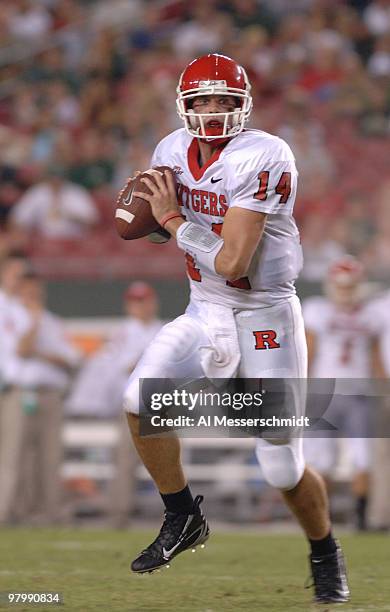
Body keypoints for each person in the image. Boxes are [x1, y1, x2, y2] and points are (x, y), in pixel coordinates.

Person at [121, 54, 349, 604]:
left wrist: (173, 220)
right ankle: (183, 516)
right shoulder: (170, 149)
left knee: (279, 462)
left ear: (243, 106)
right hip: (205, 310)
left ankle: (324, 549)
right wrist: (150, 223)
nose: (213, 110)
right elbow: (168, 234)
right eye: (203, 100)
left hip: (266, 315)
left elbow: (234, 263)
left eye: (225, 100)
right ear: (186, 106)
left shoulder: (266, 154)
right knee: (138, 398)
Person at [66, 282, 163, 526]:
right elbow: (123, 366)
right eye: (135, 301)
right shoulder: (124, 332)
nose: (140, 306)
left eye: (144, 300)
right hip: (134, 403)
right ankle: (119, 511)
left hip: (161, 401)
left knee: (166, 461)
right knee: (126, 459)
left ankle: (175, 513)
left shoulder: (163, 329)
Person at [303, 256, 381, 531]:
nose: (345, 291)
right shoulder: (317, 310)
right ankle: (321, 519)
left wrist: (384, 390)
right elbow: (308, 352)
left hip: (359, 392)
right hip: (324, 392)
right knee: (321, 460)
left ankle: (360, 518)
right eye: (341, 286)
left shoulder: (373, 314)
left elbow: (375, 358)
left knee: (363, 457)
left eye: (350, 286)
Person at [4, 272, 81, 524]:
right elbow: (23, 349)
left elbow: (71, 359)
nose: (33, 295)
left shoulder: (53, 321)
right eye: (28, 290)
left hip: (50, 393)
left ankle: (49, 513)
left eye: (36, 290)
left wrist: (41, 353)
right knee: (14, 456)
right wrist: (34, 323)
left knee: (50, 456)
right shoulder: (11, 316)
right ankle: (7, 511)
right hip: (21, 392)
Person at [0, 253, 30, 524]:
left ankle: (4, 512)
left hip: (10, 388)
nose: (19, 280)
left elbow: (23, 349)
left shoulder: (21, 310)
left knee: (10, 454)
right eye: (15, 274)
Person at [10, 165, 99, 241]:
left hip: (74, 241)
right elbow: (17, 219)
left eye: (59, 177)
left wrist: (70, 215)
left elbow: (92, 221)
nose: (56, 180)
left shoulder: (77, 193)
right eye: (53, 177)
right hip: (43, 241)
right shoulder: (37, 192)